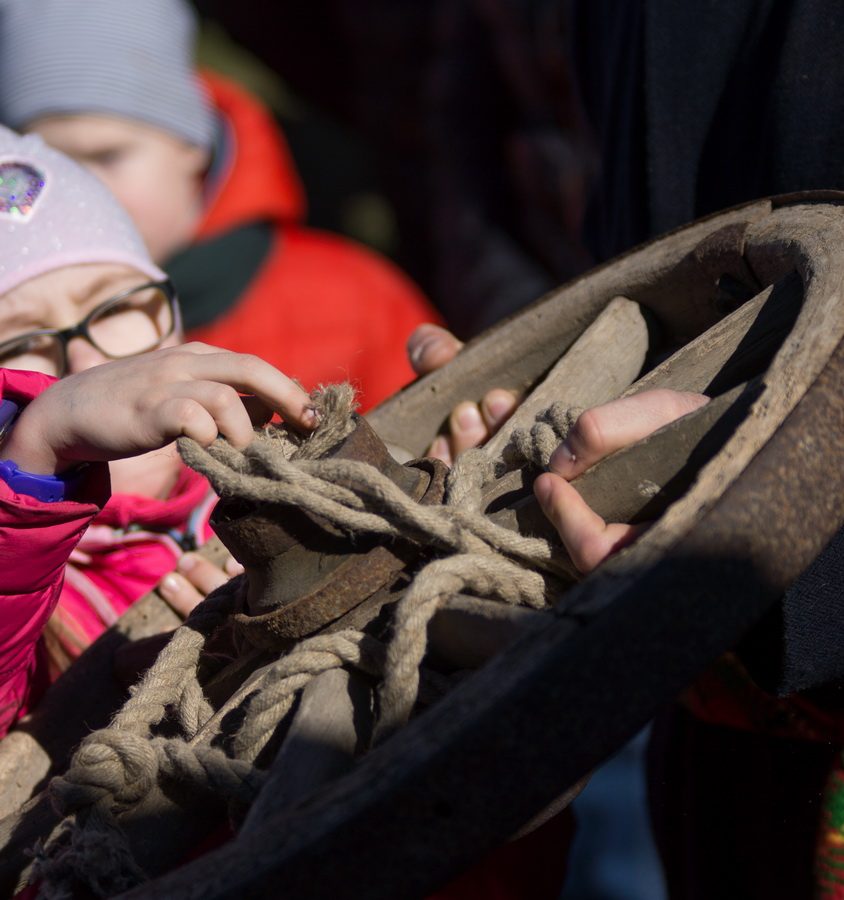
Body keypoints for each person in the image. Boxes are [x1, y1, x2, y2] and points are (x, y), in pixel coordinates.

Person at [0, 0, 440, 412]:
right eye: (56, 170)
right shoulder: (20, 328)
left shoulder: (355, 300)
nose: (86, 191)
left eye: (107, 156)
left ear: (193, 145)